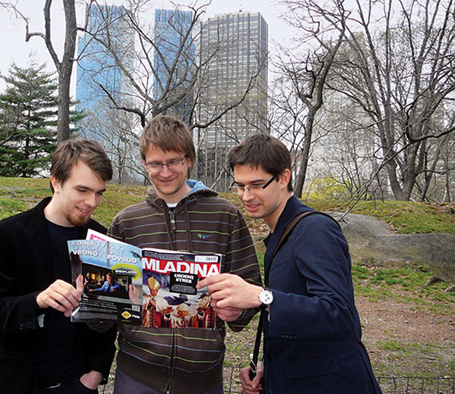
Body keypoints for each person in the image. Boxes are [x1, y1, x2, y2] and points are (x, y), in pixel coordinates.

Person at [198, 133, 382, 394]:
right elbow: (298, 318)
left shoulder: (314, 229)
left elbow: (339, 315)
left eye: (257, 184)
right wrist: (268, 367)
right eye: (240, 186)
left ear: (284, 177)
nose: (246, 196)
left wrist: (261, 296)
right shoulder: (280, 234)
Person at [108, 115, 262, 394]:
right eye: (155, 163)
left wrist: (237, 310)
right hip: (137, 375)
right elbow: (108, 306)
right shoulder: (126, 222)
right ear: (144, 163)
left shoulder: (224, 216)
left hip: (202, 378)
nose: (165, 172)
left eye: (174, 162)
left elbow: (251, 286)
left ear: (189, 159)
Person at [0, 139, 117, 394]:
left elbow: (107, 320)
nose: (92, 202)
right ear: (56, 182)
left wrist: (94, 375)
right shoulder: (8, 234)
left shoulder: (101, 238)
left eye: (99, 192)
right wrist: (37, 301)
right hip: (15, 384)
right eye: (83, 190)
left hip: (77, 386)